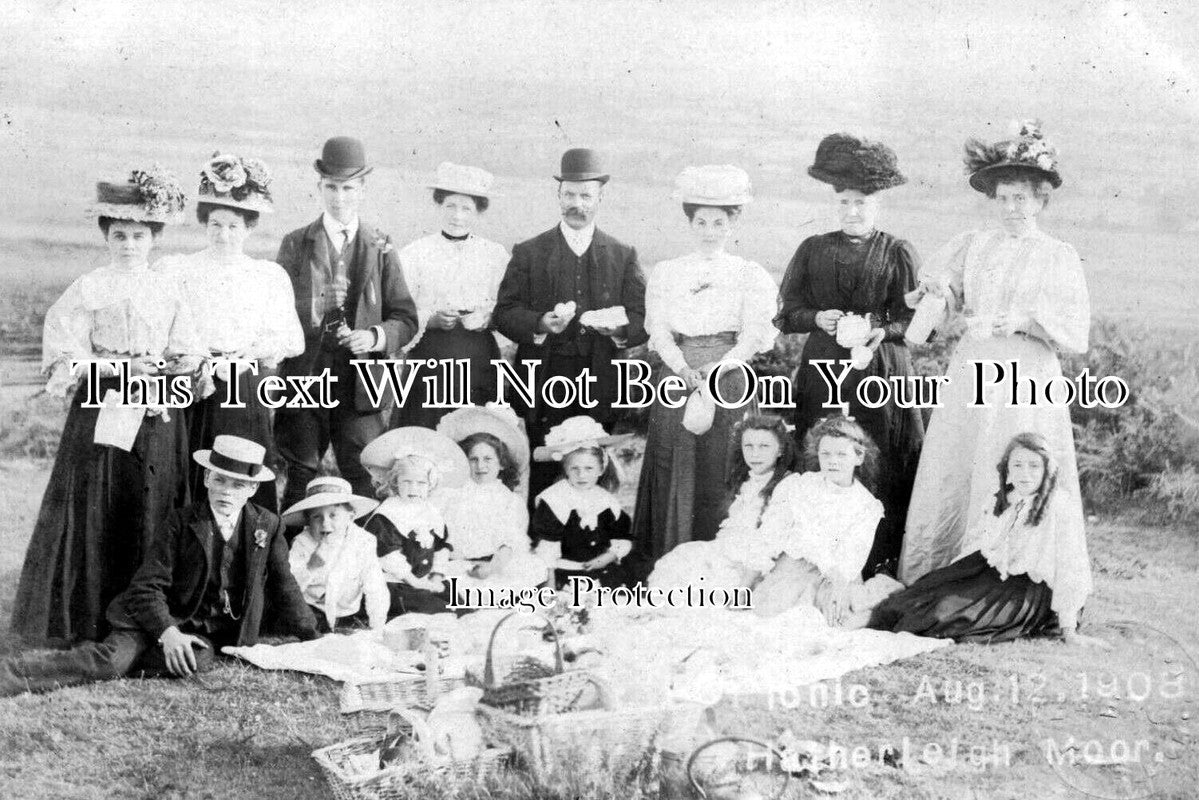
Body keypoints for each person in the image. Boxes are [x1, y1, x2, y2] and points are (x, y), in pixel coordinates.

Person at [11, 168, 204, 646]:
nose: (129, 245)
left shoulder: (169, 287)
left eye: (139, 235)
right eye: (120, 235)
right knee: (102, 501)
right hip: (103, 406)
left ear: (153, 238)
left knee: (152, 497)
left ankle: (147, 612)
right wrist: (119, 370)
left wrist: (183, 363)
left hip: (159, 408)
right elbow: (63, 357)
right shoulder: (89, 286)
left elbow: (188, 344)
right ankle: (90, 613)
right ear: (106, 236)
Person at [899, 121, 1091, 587]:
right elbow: (942, 301)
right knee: (964, 456)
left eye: (1020, 198)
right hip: (975, 365)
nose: (1010, 208)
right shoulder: (973, 244)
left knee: (1018, 454)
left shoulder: (1057, 255)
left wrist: (1026, 322)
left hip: (1027, 370)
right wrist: (937, 293)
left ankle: (1019, 577)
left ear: (1041, 199)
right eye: (1003, 198)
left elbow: (1074, 329)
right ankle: (949, 569)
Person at [0, 436, 319, 696]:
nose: (225, 491)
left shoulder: (267, 524)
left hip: (200, 632)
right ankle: (11, 675)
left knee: (197, 660)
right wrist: (167, 631)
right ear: (207, 478)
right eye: (219, 480)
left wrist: (314, 635)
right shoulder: (181, 522)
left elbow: (284, 584)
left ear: (251, 489)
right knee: (110, 662)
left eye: (237, 485)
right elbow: (146, 587)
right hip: (149, 618)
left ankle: (131, 655)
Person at [775, 134, 924, 579]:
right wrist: (818, 318)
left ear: (878, 204)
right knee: (824, 453)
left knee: (882, 455)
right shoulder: (813, 248)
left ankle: (879, 561)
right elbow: (786, 314)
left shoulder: (897, 251)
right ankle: (816, 562)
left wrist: (883, 330)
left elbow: (919, 323)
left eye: (861, 203)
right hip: (824, 368)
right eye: (844, 202)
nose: (852, 211)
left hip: (880, 370)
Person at [630, 166, 778, 575]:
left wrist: (722, 366)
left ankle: (722, 564)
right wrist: (680, 367)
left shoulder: (748, 273)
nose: (709, 230)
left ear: (733, 223)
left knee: (723, 462)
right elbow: (658, 331)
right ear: (690, 223)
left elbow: (753, 336)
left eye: (719, 222)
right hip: (678, 377)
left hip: (729, 377)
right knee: (676, 458)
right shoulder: (668, 271)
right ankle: (671, 560)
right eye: (701, 222)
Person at [493, 148, 647, 504]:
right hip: (543, 379)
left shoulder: (623, 255)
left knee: (594, 466)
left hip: (600, 379)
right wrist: (540, 322)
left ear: (600, 198)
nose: (577, 204)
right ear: (558, 195)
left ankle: (595, 547)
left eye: (586, 196)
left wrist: (620, 330)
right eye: (570, 195)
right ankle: (543, 549)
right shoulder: (529, 251)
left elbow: (643, 318)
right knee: (546, 468)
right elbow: (505, 311)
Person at [273, 136, 419, 511]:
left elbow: (405, 317)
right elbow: (275, 312)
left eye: (348, 188)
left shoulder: (381, 245)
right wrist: (319, 305)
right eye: (331, 188)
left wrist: (373, 337)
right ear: (319, 187)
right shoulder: (296, 243)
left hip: (361, 387)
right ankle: (289, 564)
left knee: (364, 474)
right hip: (306, 378)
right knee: (300, 473)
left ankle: (363, 564)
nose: (339, 197)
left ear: (363, 188)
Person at [155, 153, 304, 511]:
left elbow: (292, 339)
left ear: (249, 227)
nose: (224, 235)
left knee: (240, 471)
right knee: (187, 472)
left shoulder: (266, 276)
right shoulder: (178, 269)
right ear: (205, 222)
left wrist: (250, 352)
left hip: (242, 387)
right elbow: (161, 330)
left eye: (234, 226)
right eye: (216, 224)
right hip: (191, 384)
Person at [870, 433, 1102, 645]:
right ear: (1008, 470)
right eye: (1018, 465)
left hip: (1026, 589)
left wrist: (1069, 629)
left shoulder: (1060, 506)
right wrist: (949, 576)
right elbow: (981, 543)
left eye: (1034, 466)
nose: (1025, 474)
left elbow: (1070, 569)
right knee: (913, 599)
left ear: (1046, 470)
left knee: (943, 616)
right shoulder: (1002, 500)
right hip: (989, 573)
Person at [747, 416, 902, 624]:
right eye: (825, 454)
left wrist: (839, 585)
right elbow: (777, 537)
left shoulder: (867, 505)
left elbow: (854, 555)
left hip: (840, 575)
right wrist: (747, 582)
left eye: (841, 454)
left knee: (840, 620)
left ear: (858, 456)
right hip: (794, 570)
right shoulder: (800, 486)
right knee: (777, 619)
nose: (833, 461)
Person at [391, 163, 510, 429]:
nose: (457, 216)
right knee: (426, 428)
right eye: (450, 206)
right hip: (431, 356)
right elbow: (400, 310)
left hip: (478, 357)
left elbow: (506, 307)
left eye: (466, 208)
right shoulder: (415, 253)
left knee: (475, 431)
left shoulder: (495, 255)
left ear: (478, 211)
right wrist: (431, 319)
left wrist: (487, 318)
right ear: (439, 206)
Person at [647, 414, 800, 592]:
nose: (755, 454)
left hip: (753, 568)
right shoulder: (747, 482)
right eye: (748, 446)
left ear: (780, 449)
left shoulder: (788, 484)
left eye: (764, 446)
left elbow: (768, 542)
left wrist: (744, 587)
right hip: (726, 554)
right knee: (678, 562)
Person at [359, 427, 470, 615]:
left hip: (424, 578)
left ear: (430, 485)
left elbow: (441, 547)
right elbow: (390, 558)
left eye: (421, 483)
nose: (413, 488)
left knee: (461, 606)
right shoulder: (387, 514)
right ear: (395, 483)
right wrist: (416, 582)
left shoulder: (430, 512)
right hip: (396, 583)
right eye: (406, 482)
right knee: (438, 611)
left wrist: (436, 576)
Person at [435, 405, 547, 592]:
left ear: (502, 463)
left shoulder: (510, 501)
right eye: (473, 459)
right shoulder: (451, 493)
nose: (481, 466)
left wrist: (492, 568)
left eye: (488, 459)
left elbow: (510, 542)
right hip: (454, 566)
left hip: (494, 566)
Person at [529, 416, 633, 589]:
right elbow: (547, 550)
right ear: (565, 468)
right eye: (575, 468)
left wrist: (607, 557)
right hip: (564, 576)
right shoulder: (555, 499)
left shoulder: (606, 500)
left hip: (601, 572)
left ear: (601, 469)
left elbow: (620, 537)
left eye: (589, 469)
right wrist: (550, 587)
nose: (582, 475)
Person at [284, 476, 387, 632]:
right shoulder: (303, 542)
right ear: (307, 521)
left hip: (346, 611)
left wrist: (377, 625)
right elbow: (289, 586)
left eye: (333, 515)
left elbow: (375, 585)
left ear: (350, 517)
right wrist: (311, 567)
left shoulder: (363, 542)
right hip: (312, 608)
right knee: (302, 627)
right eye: (316, 517)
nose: (325, 523)